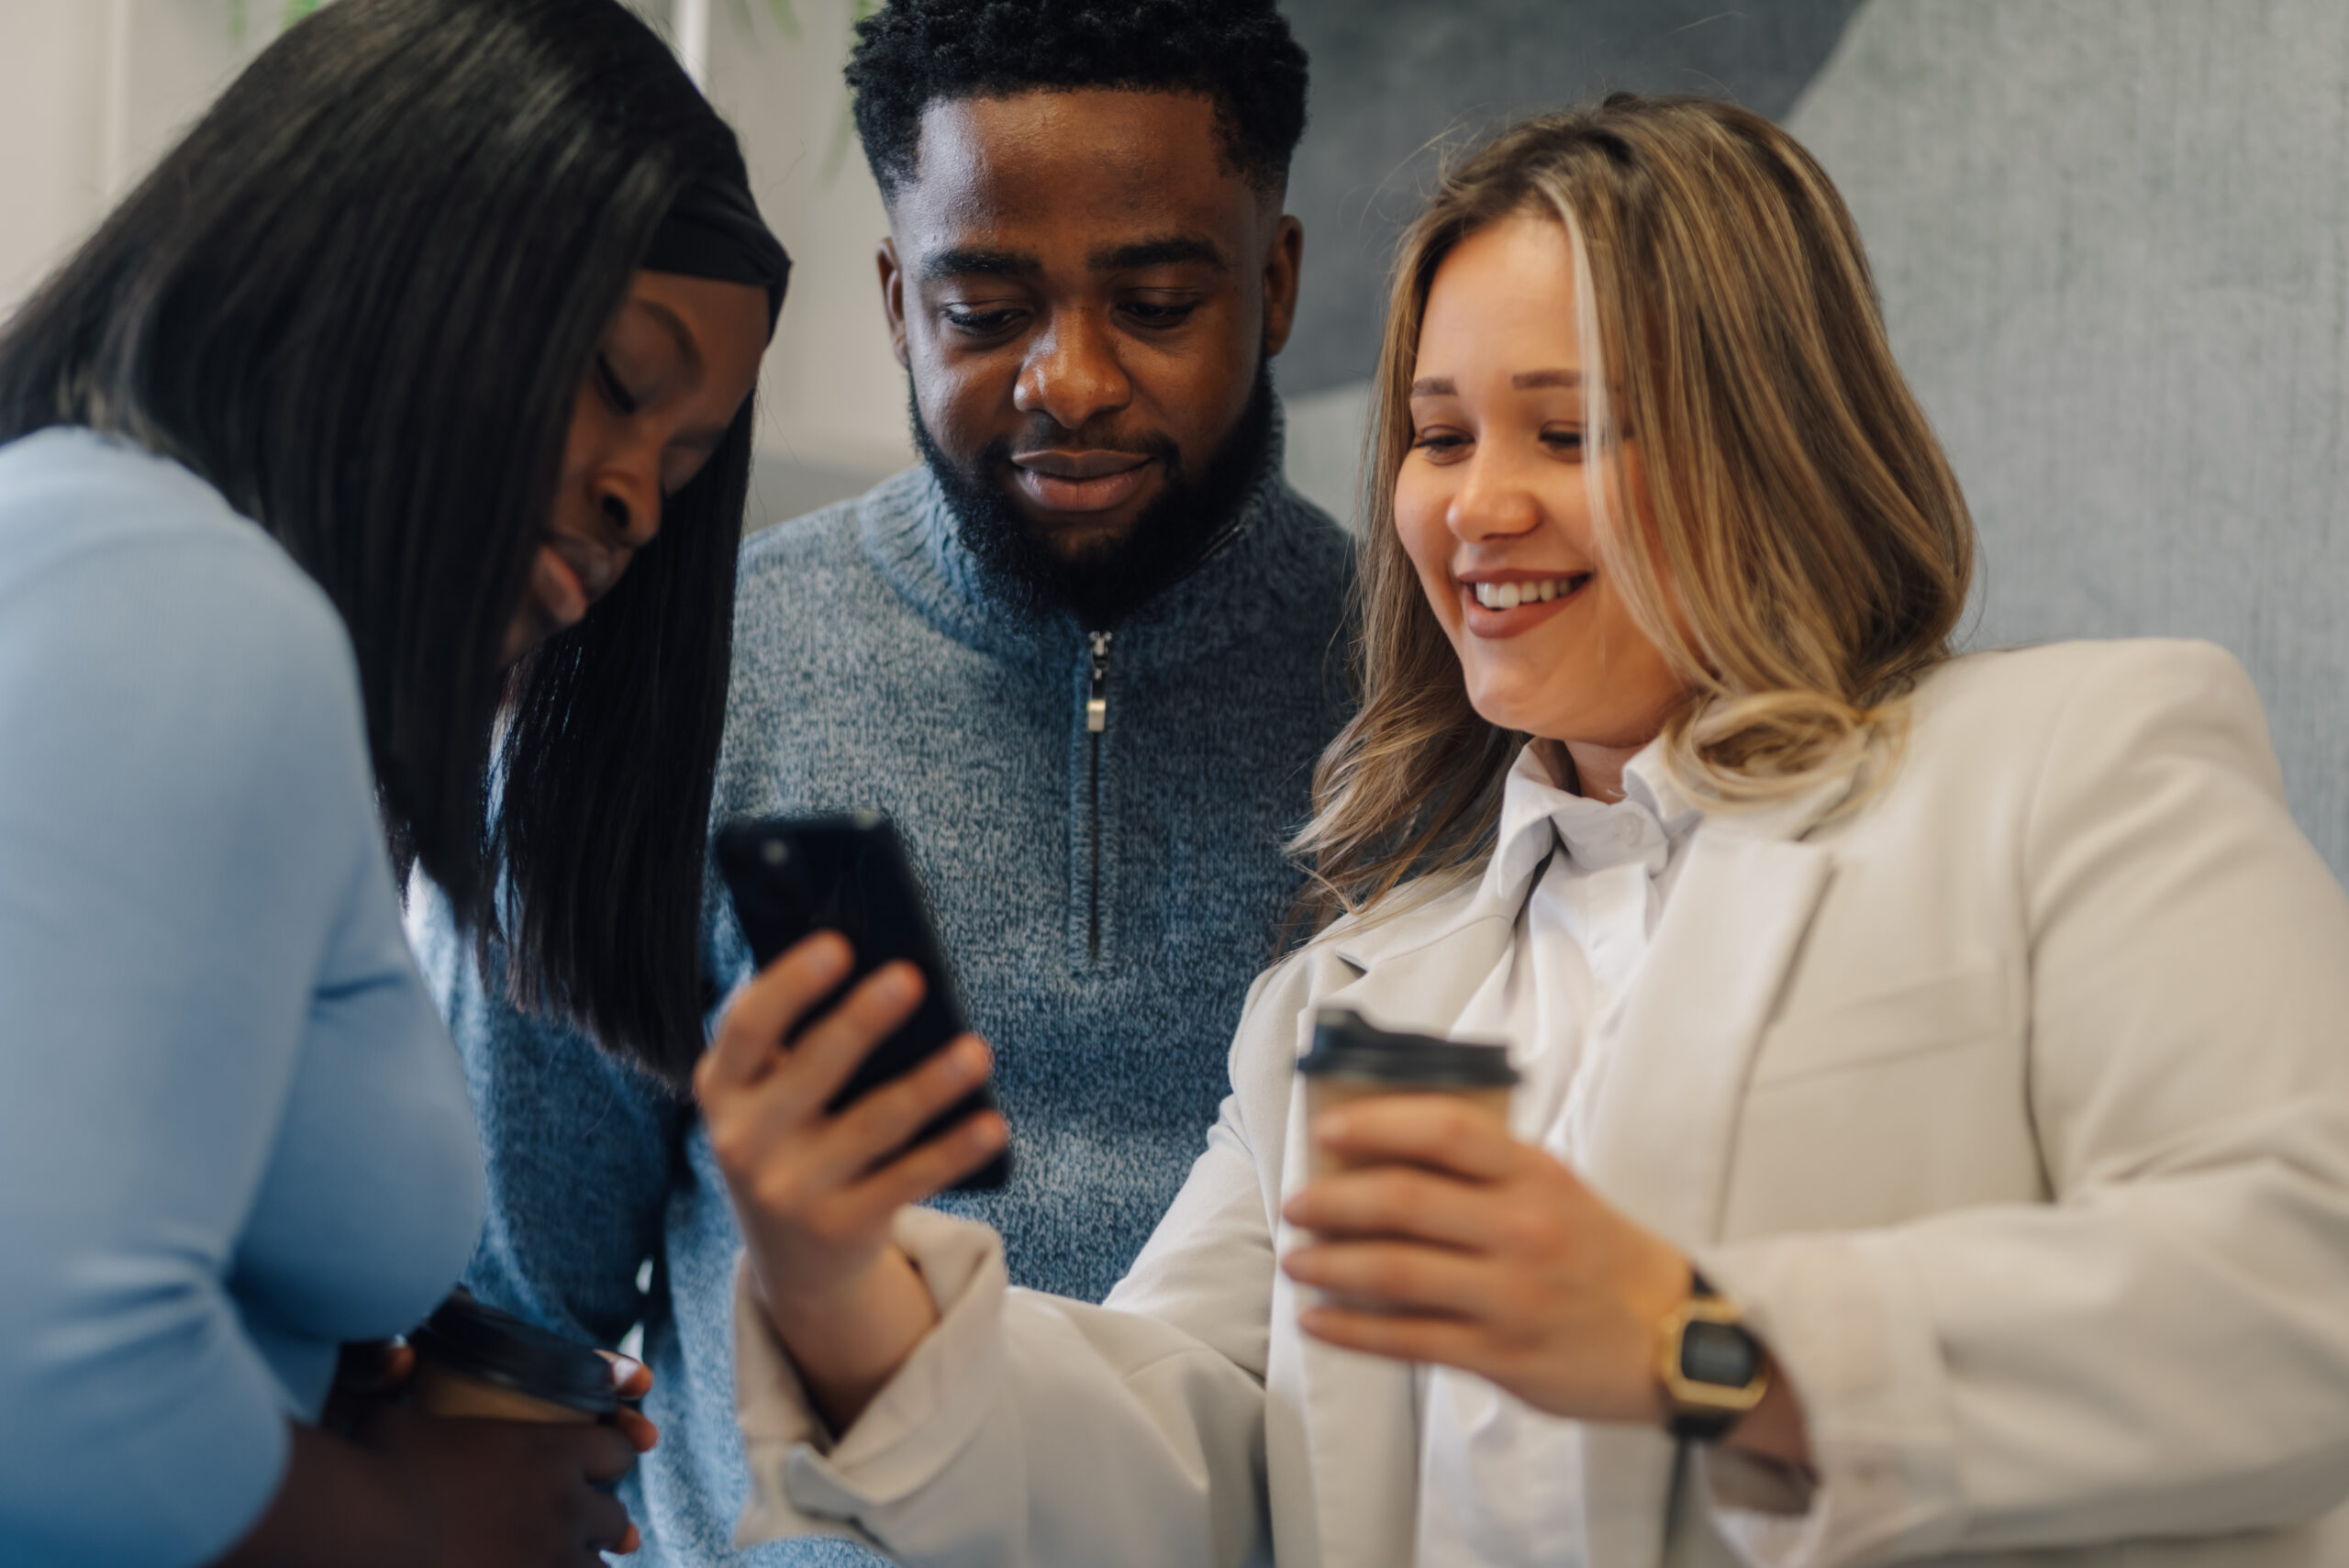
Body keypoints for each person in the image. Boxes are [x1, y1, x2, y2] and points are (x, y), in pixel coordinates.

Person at [700, 94, 2349, 1567]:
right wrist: (848, 1295)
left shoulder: (2071, 768)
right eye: (1437, 432)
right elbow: (1190, 1460)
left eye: (1568, 432)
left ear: (1767, 441)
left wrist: (1700, 1340)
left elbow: (2298, 1295)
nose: (1477, 506)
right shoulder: (1355, 994)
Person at [406, 1, 1349, 1562]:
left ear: (1278, 284)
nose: (1074, 380)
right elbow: (506, 1327)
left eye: (1160, 301)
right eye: (987, 310)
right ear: (898, 300)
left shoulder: (1443, 705)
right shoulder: (662, 679)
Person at [0, 1, 788, 1563]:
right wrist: (412, 1519)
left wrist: (324, 1387)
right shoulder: (191, 600)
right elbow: (43, 1371)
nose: (636, 495)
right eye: (625, 380)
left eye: (685, 467)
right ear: (401, 273)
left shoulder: (132, 574)